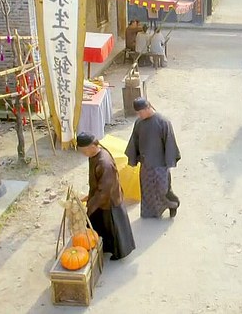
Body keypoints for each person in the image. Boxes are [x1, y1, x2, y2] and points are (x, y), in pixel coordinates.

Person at [76, 132, 136, 260]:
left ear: (92, 146)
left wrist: (90, 205)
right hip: (100, 196)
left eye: (84, 150)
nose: (83, 153)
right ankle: (104, 246)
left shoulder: (104, 163)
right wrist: (90, 196)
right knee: (101, 225)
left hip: (109, 199)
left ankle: (119, 253)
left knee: (113, 228)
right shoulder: (94, 154)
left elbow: (105, 190)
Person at [125, 98, 181, 218]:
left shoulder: (163, 122)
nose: (139, 115)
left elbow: (169, 142)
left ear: (148, 108)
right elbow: (134, 140)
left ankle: (173, 204)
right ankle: (151, 213)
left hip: (160, 164)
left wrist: (169, 161)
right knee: (147, 190)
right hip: (146, 164)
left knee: (162, 190)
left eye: (140, 112)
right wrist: (134, 158)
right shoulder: (139, 123)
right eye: (137, 113)